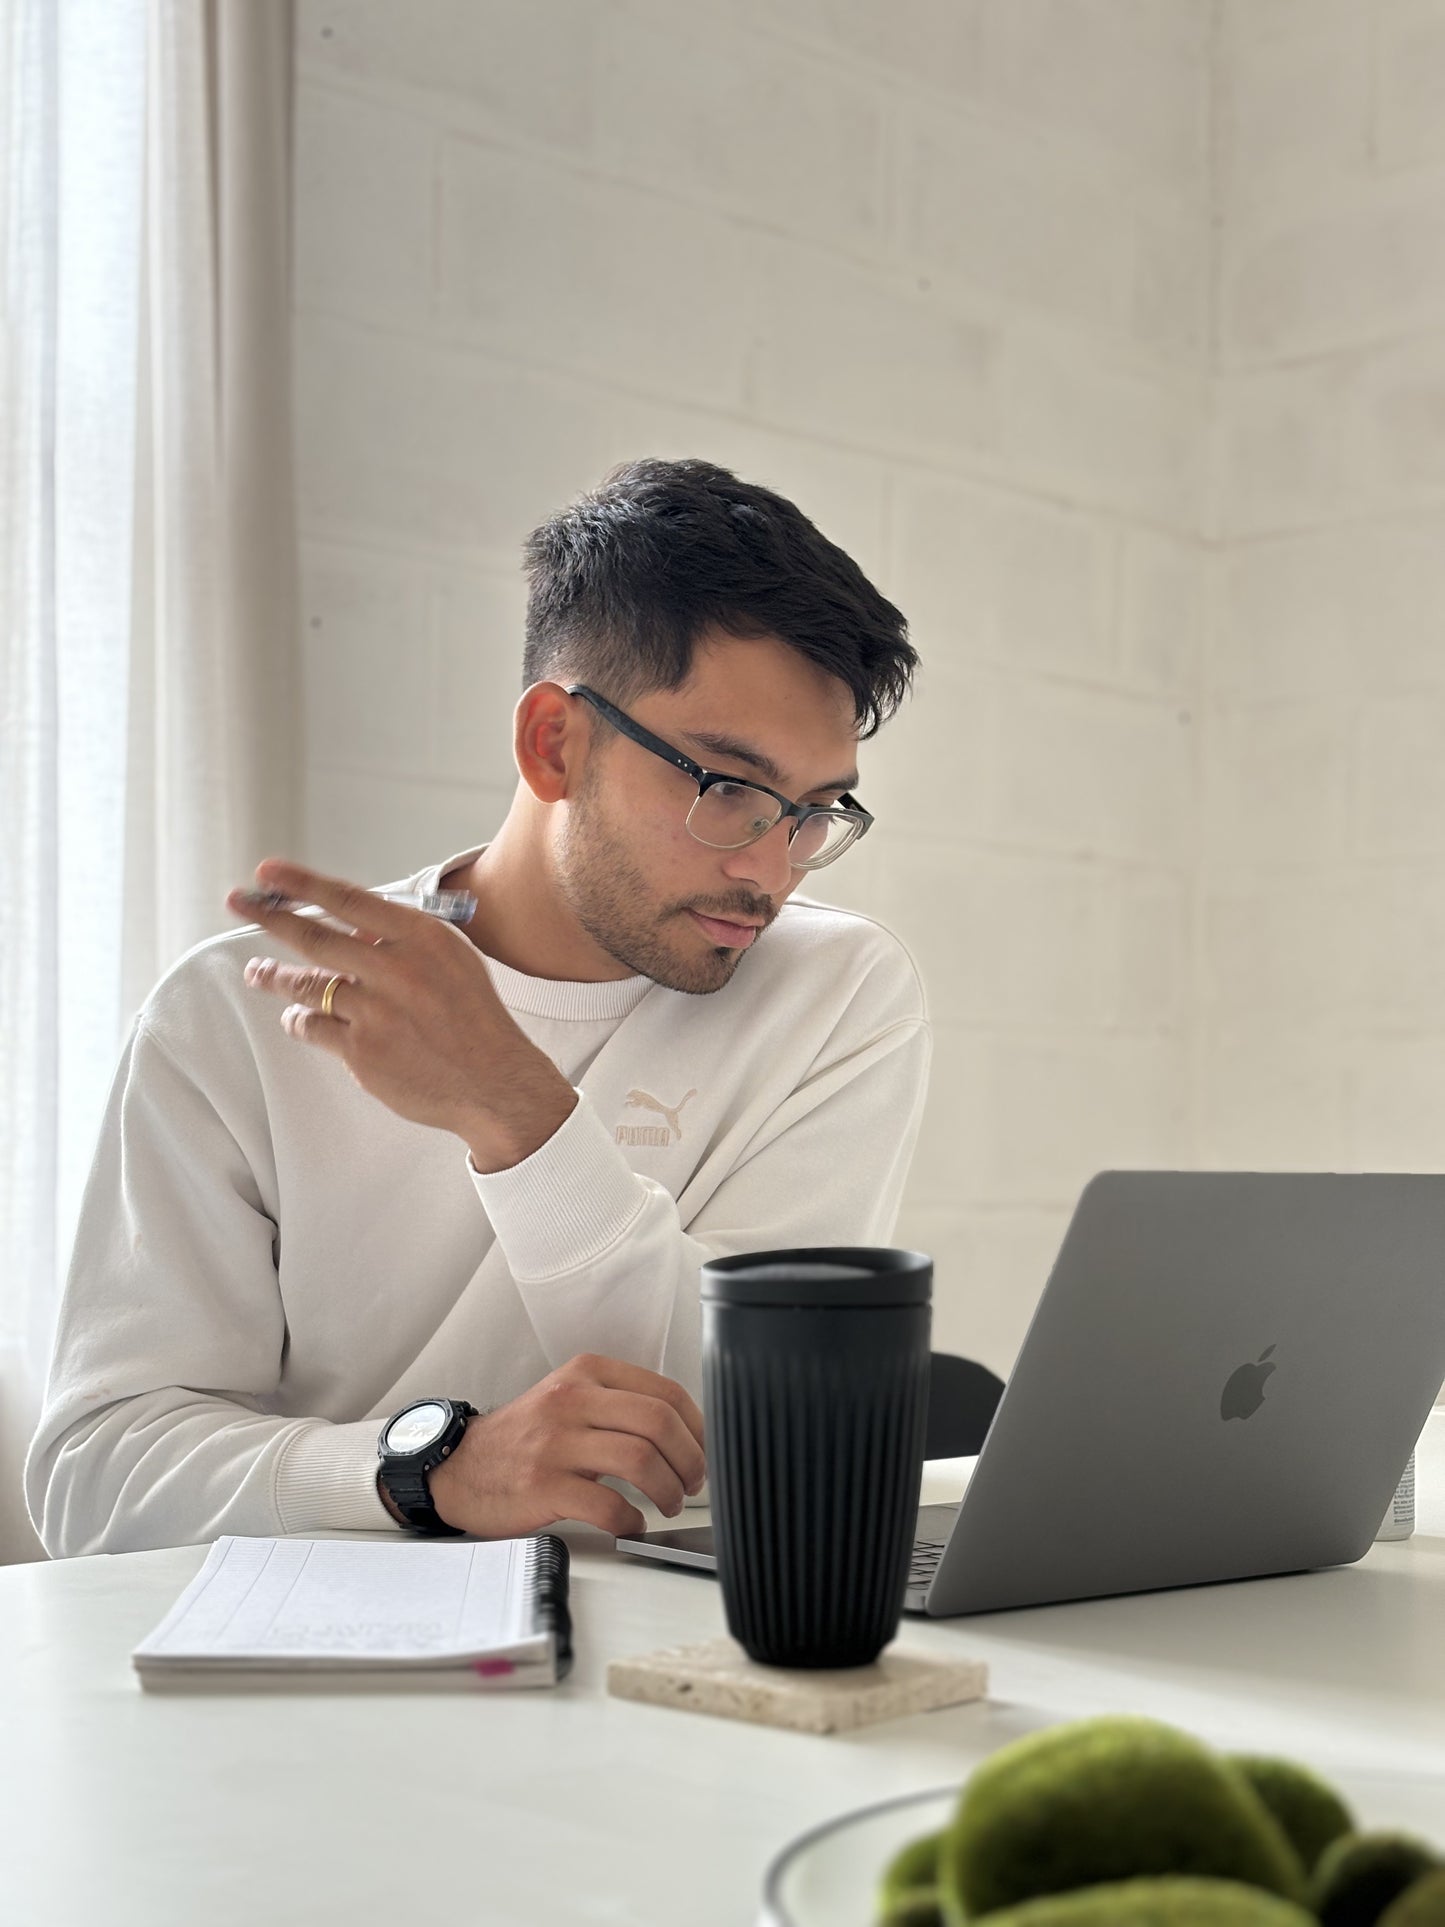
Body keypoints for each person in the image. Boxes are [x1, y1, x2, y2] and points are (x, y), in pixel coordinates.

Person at [25, 457, 929, 1558]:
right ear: (555, 741)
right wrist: (427, 1471)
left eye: (815, 810)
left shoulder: (836, 993)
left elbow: (757, 1426)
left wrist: (518, 1116)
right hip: (309, 1678)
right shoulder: (232, 1017)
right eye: (727, 789)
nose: (772, 871)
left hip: (671, 1666)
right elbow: (96, 1482)